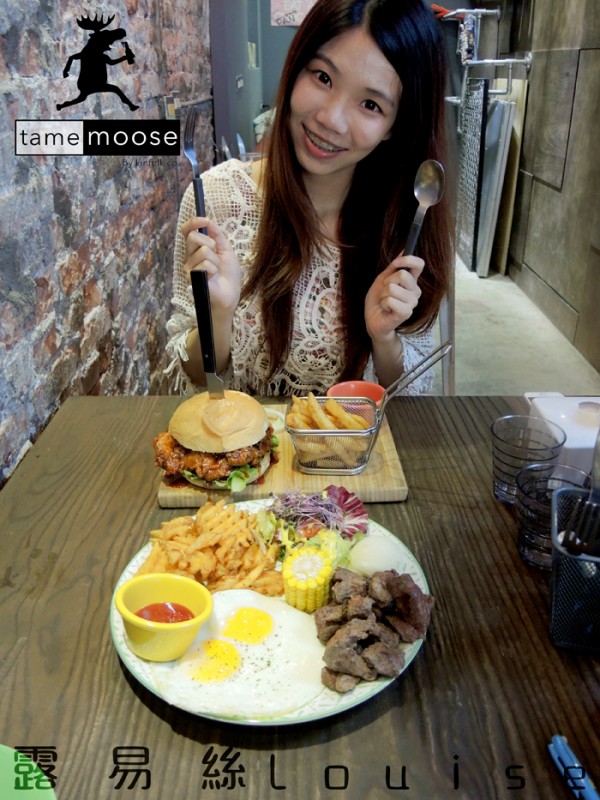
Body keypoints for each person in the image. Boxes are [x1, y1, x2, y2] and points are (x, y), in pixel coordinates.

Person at [166, 0, 453, 397]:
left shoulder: (408, 222)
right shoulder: (215, 198)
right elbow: (195, 382)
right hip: (247, 438)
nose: (330, 119)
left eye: (370, 104)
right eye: (322, 77)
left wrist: (384, 339)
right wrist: (218, 314)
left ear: (394, 126)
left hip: (353, 439)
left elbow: (408, 401)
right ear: (296, 66)